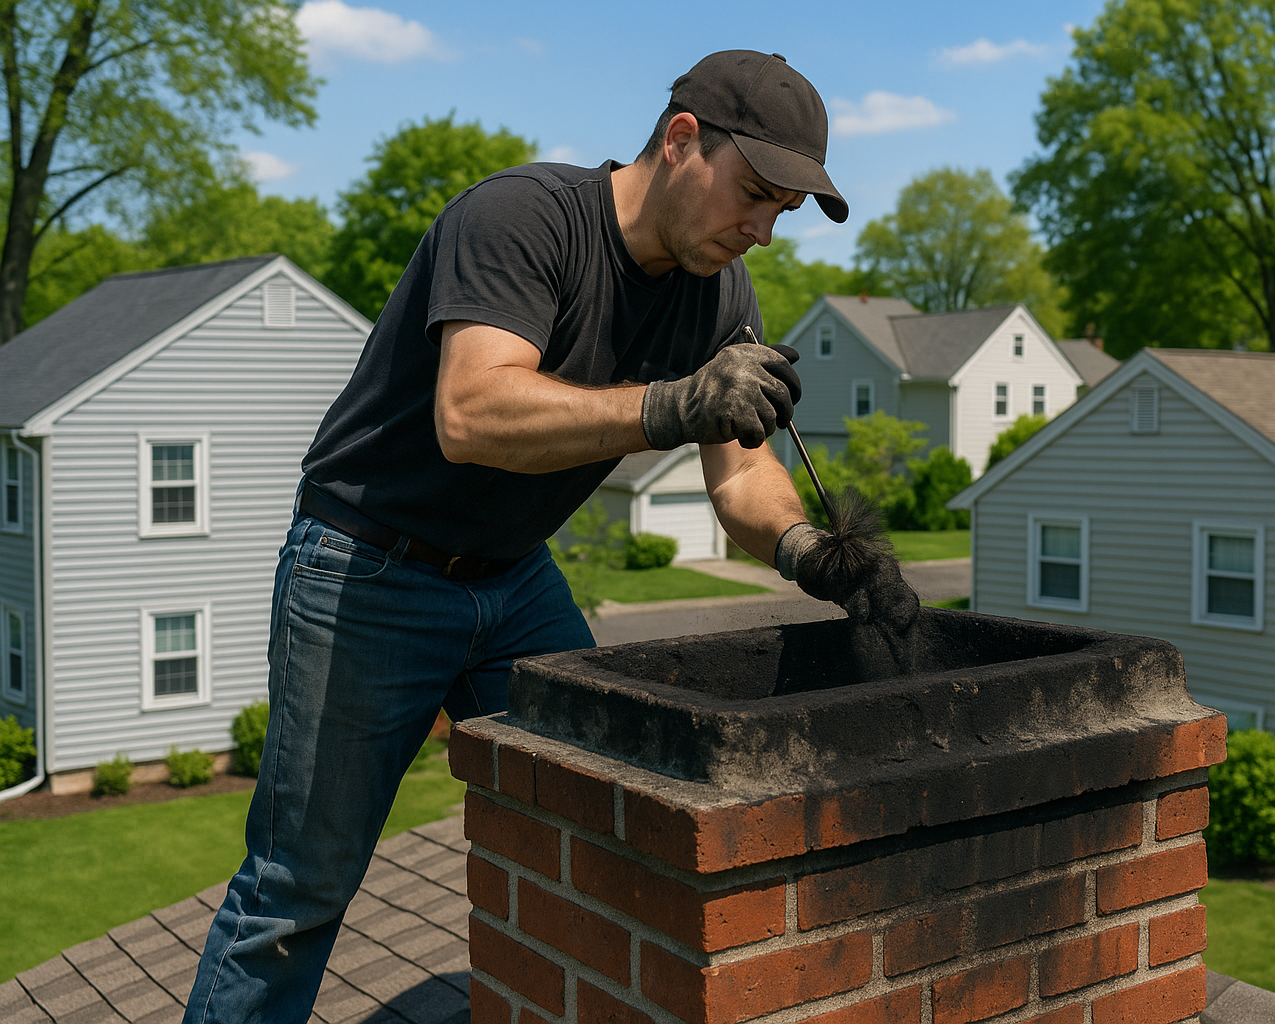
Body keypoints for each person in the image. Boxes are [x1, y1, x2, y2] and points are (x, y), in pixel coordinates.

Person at [181, 50, 913, 1024]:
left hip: (514, 581)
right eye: (756, 196)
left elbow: (741, 473)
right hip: (366, 565)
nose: (763, 233)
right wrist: (674, 403)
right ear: (682, 138)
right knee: (296, 891)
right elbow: (472, 413)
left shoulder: (720, 294)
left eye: (781, 212)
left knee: (602, 825)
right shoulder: (522, 217)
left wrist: (808, 554)